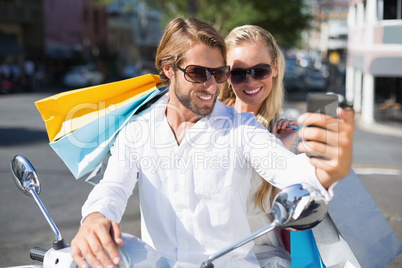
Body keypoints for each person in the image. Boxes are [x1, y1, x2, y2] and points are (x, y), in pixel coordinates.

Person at [71, 17, 354, 268]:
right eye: (197, 73)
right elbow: (113, 187)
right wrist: (95, 217)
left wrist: (326, 173)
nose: (211, 85)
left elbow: (288, 170)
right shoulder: (136, 130)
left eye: (219, 74)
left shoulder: (243, 129)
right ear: (169, 68)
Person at [219, 25, 296, 267]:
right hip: (220, 250)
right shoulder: (212, 122)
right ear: (226, 75)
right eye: (239, 73)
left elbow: (281, 208)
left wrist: (280, 149)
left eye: (259, 70)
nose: (250, 80)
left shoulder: (283, 128)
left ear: (274, 68)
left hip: (266, 249)